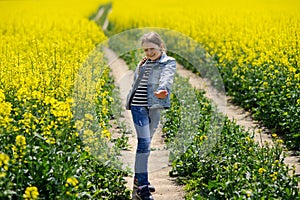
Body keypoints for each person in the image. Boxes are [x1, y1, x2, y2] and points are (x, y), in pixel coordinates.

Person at [125, 31, 176, 200]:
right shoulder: (143, 62)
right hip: (137, 107)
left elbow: (167, 78)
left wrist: (164, 89)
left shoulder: (168, 62)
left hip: (154, 107)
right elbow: (135, 84)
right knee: (144, 143)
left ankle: (138, 180)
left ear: (160, 46)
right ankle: (143, 187)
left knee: (145, 146)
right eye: (145, 50)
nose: (148, 53)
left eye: (152, 49)